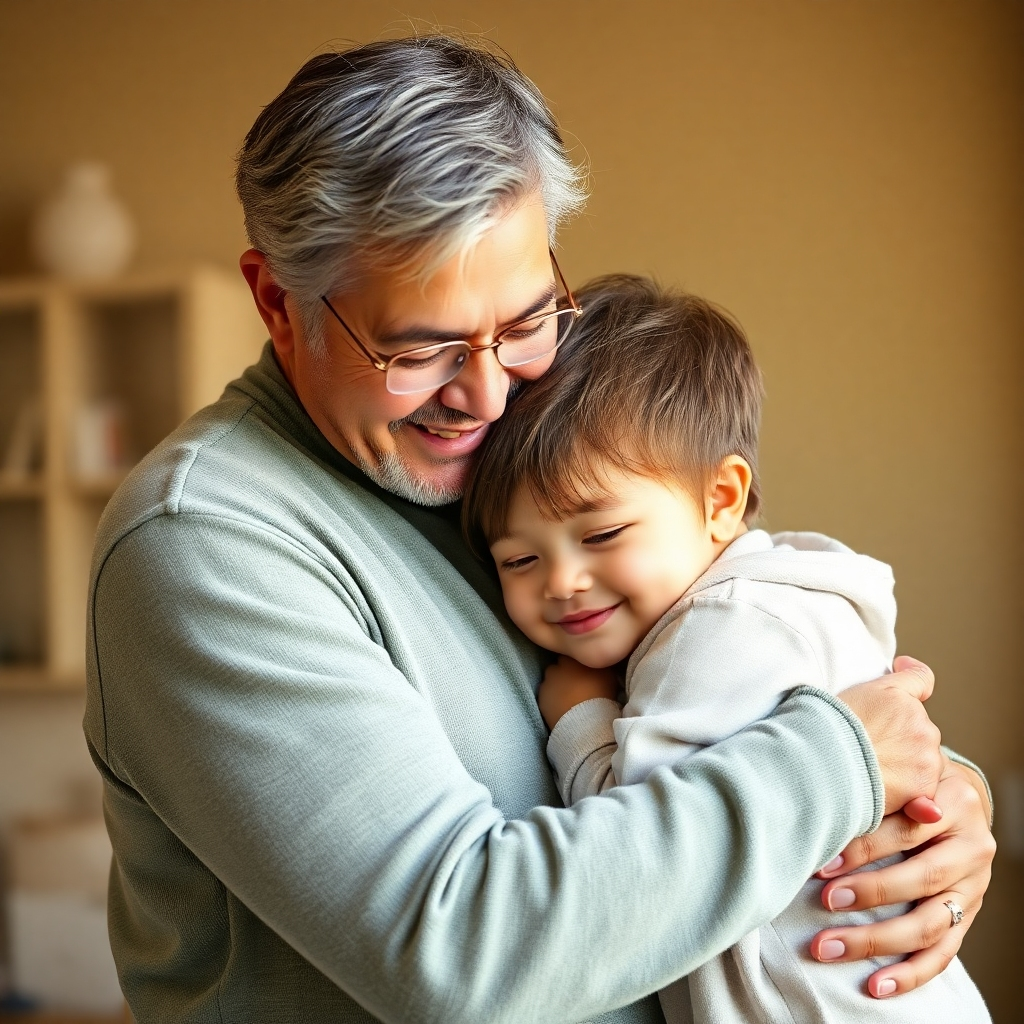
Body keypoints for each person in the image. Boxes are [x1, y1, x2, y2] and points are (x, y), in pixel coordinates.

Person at [83, 35, 994, 1023]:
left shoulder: (506, 458)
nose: (482, 394)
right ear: (276, 301)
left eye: (523, 321)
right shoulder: (204, 546)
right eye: (420, 347)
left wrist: (932, 810)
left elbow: (730, 677)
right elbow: (461, 952)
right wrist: (837, 768)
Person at [464, 275, 991, 1024]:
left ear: (720, 500)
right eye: (518, 560)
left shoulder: (716, 631)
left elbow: (644, 861)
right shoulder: (794, 594)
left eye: (603, 534)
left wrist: (581, 722)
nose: (563, 582)